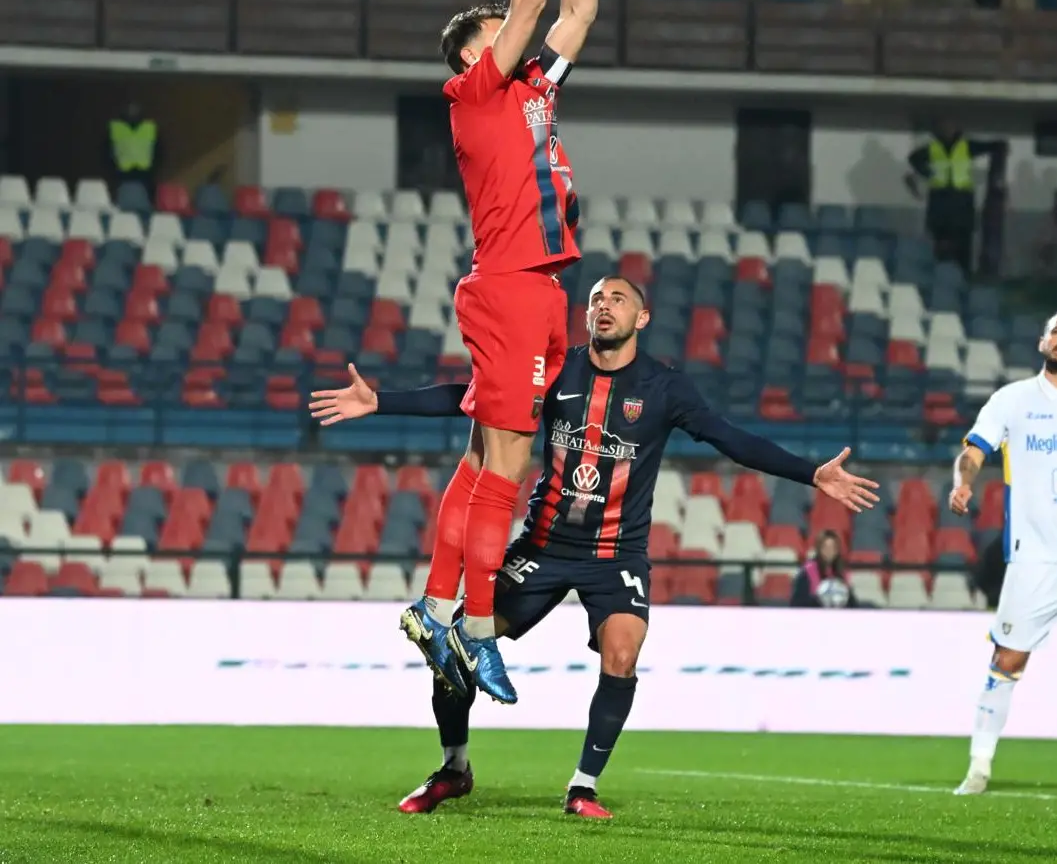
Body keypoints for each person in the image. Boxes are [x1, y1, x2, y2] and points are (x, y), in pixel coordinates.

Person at [310, 276, 880, 818]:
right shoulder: (557, 368)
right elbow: (478, 397)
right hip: (544, 544)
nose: (604, 306)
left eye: (618, 299)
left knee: (623, 654)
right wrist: (380, 401)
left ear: (642, 316)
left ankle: (582, 786)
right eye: (596, 298)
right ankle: (453, 768)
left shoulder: (665, 386)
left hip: (617, 554)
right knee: (455, 646)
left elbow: (731, 438)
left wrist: (813, 475)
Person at [391, 0, 605, 707]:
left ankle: (439, 605)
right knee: (509, 466)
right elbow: (528, 5)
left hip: (537, 286)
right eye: (493, 35)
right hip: (514, 286)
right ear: (473, 57)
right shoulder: (477, 93)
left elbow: (575, 17)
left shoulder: (532, 93)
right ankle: (478, 628)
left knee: (485, 460)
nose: (508, 33)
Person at [949, 310, 1057, 795]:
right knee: (1008, 659)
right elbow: (975, 450)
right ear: (1041, 341)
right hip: (1036, 556)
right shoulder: (1013, 400)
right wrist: (963, 483)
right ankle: (979, 768)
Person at [905, 120, 1007, 276]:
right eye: (944, 128)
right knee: (941, 245)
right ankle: (941, 277)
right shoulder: (933, 148)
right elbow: (913, 158)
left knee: (963, 245)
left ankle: (962, 277)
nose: (947, 131)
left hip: (961, 202)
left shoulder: (966, 146)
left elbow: (989, 147)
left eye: (950, 128)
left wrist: (1000, 146)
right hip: (940, 201)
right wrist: (927, 173)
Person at [105, 102, 160, 200]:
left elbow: (159, 150)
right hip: (122, 173)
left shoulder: (150, 128)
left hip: (145, 172)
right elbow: (106, 150)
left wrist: (154, 167)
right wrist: (112, 168)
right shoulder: (114, 128)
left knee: (145, 202)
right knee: (122, 201)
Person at [789, 530, 856, 608]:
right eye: (825, 547)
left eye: (833, 547)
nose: (829, 551)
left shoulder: (842, 573)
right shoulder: (806, 572)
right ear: (819, 549)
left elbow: (852, 604)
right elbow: (797, 603)